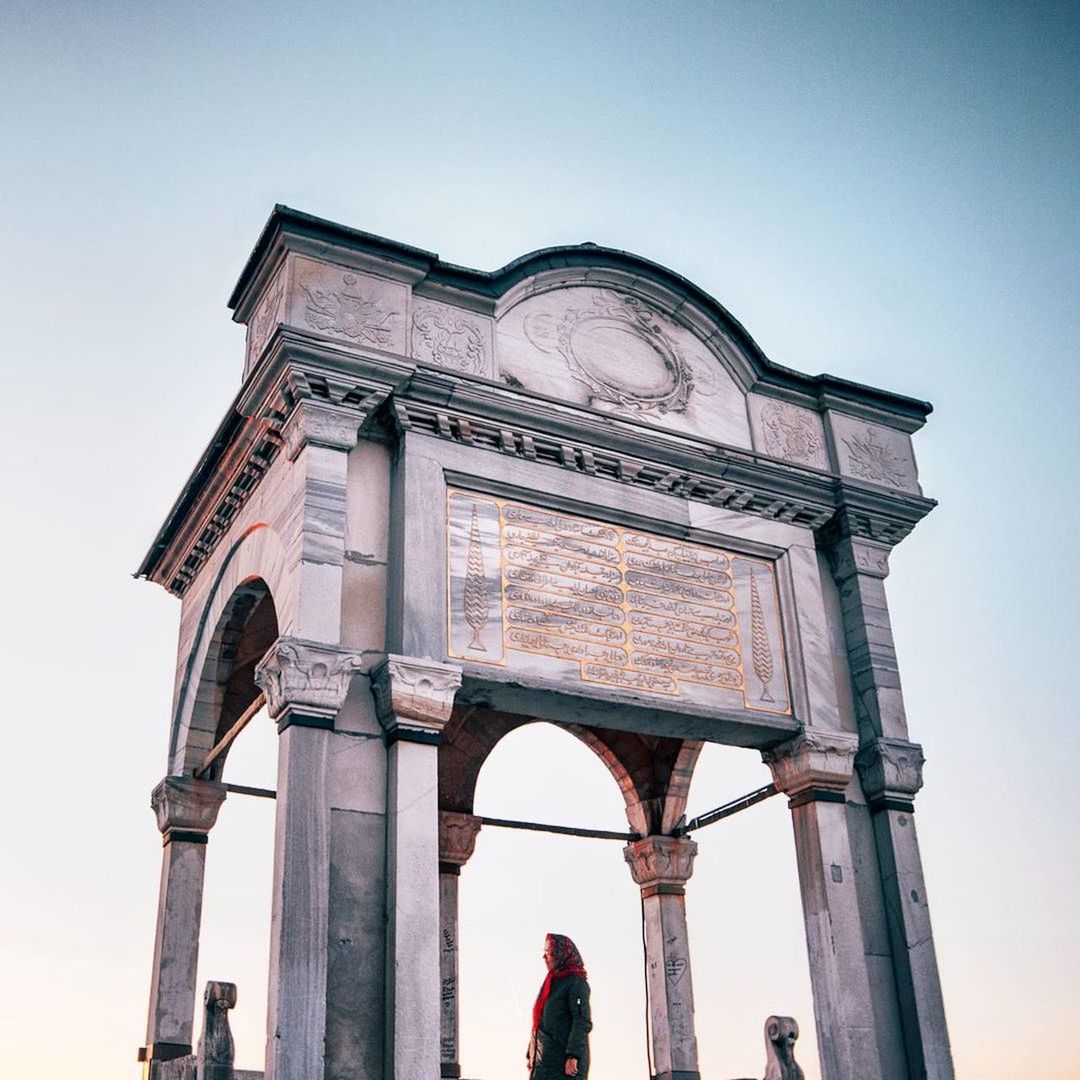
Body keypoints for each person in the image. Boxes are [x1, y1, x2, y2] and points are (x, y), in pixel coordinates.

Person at [527, 933, 592, 1079]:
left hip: (564, 1067)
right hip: (544, 1065)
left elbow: (581, 1021)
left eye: (548, 953)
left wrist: (572, 1055)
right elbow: (541, 1021)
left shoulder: (576, 983)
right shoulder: (551, 983)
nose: (544, 958)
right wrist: (531, 1053)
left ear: (560, 955)